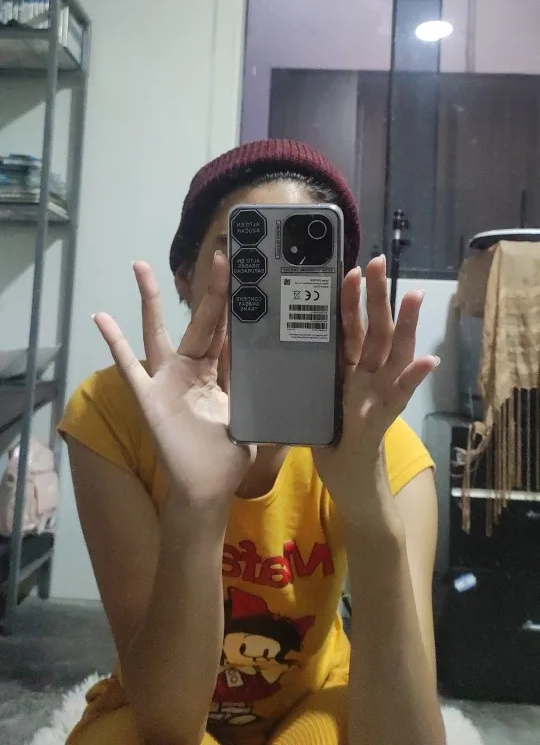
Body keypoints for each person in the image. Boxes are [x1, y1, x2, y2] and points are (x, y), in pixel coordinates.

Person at [60, 139, 446, 745]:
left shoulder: (382, 449)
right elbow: (165, 722)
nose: (268, 281)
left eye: (303, 263)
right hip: (153, 701)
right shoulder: (110, 415)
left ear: (336, 292)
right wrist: (197, 506)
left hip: (316, 704)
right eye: (241, 250)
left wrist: (371, 516)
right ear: (186, 277)